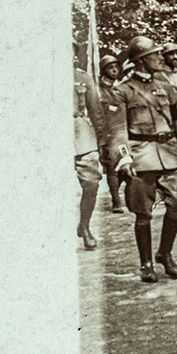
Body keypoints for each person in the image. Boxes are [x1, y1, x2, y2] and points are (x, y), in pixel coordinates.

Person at [104, 36, 177, 280]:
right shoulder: (122, 91)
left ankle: (165, 253)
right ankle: (146, 263)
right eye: (154, 55)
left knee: (176, 204)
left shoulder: (165, 84)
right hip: (141, 156)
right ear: (142, 60)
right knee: (143, 213)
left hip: (169, 153)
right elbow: (118, 129)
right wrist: (124, 159)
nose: (159, 58)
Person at [73, 58, 113, 250]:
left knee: (91, 184)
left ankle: (85, 226)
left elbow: (96, 111)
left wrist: (103, 140)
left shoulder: (82, 78)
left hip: (81, 135)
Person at [97, 54, 129, 211]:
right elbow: (98, 118)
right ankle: (116, 201)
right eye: (110, 67)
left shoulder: (120, 89)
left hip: (123, 134)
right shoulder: (98, 92)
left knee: (128, 165)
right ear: (104, 70)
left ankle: (131, 199)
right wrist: (101, 142)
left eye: (116, 66)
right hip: (109, 136)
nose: (115, 70)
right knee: (111, 169)